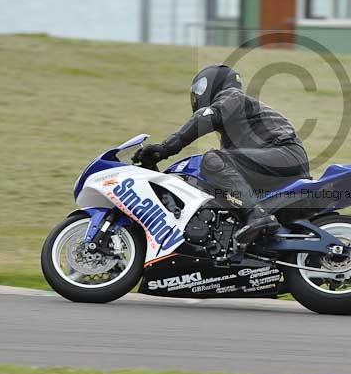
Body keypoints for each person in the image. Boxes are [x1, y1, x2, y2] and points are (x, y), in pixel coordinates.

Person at [133, 64, 311, 245]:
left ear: (212, 84)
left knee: (212, 160)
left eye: (199, 89)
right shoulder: (235, 132)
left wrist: (165, 148)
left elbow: (207, 116)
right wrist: (152, 168)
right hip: (278, 162)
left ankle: (255, 215)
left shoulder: (232, 96)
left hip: (283, 154)